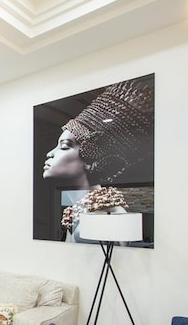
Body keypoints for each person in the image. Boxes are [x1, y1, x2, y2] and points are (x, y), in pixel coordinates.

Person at [42, 77, 154, 241]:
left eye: (65, 146)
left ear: (91, 160)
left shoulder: (112, 213)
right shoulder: (75, 211)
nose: (49, 153)